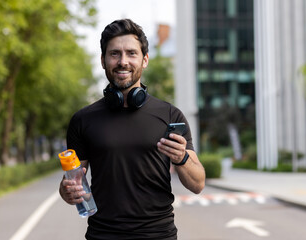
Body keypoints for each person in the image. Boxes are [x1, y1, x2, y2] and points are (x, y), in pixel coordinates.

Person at [59, 18, 205, 240]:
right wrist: (67, 191)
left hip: (159, 235)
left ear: (145, 60)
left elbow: (198, 184)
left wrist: (182, 158)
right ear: (103, 60)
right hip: (102, 236)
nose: (123, 61)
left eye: (131, 53)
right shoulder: (82, 120)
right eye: (115, 53)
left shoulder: (170, 115)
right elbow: (73, 180)